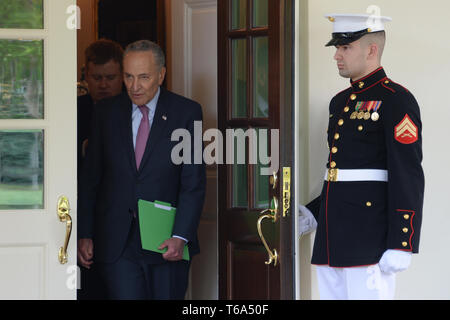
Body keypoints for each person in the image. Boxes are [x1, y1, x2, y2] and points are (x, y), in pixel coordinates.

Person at [298, 13, 424, 300]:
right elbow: (342, 173)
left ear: (371, 50)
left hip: (370, 236)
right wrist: (314, 213)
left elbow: (407, 173)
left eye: (345, 48)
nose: (337, 56)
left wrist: (402, 242)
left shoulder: (396, 99)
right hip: (332, 237)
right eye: (337, 48)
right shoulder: (340, 102)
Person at [77, 40, 206, 300]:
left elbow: (193, 182)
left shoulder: (186, 113)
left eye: (144, 77)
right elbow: (91, 178)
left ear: (161, 74)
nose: (134, 86)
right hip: (117, 243)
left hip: (167, 240)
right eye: (128, 77)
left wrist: (181, 235)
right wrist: (85, 233)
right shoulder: (105, 113)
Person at [77, 39, 124, 300]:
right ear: (85, 74)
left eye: (110, 77)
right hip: (83, 217)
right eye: (97, 77)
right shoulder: (70, 112)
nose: (103, 84)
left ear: (123, 76)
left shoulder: (137, 112)